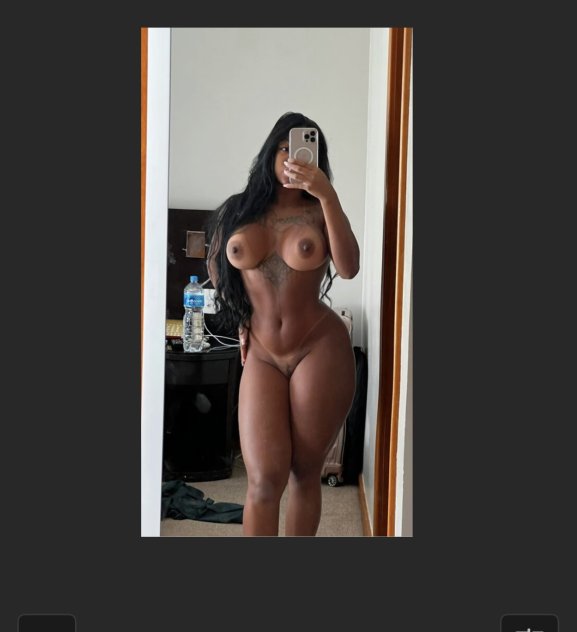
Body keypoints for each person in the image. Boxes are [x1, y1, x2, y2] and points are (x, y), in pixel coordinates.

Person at [206, 112, 359, 536]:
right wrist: (240, 318)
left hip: (318, 347)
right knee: (262, 480)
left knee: (304, 473)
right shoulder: (238, 210)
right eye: (283, 148)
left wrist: (327, 195)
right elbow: (217, 267)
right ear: (269, 153)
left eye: (303, 149)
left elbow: (348, 267)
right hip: (262, 353)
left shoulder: (320, 210)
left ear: (317, 159)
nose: (292, 157)